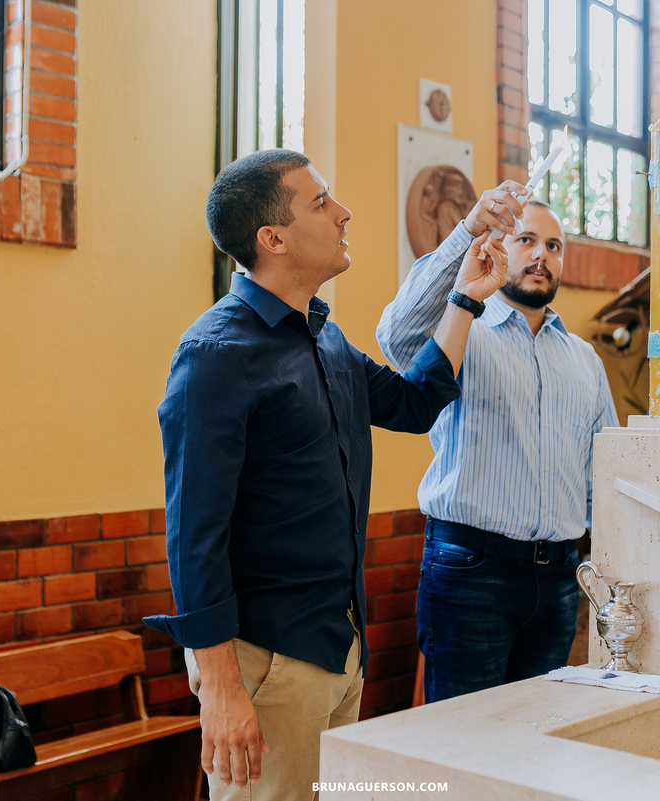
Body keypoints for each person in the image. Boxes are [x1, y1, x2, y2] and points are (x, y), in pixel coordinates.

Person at [143, 149, 507, 801]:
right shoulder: (215, 355)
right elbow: (194, 537)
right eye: (320, 202)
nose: (342, 213)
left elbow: (415, 399)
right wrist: (222, 689)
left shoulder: (325, 338)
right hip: (266, 660)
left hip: (339, 643)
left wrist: (466, 299)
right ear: (272, 238)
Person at [377, 186, 619, 704]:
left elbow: (602, 475)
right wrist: (464, 234)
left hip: (557, 578)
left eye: (554, 246)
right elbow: (396, 334)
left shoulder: (585, 360)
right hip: (470, 572)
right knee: (464, 746)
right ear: (498, 244)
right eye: (527, 239)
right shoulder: (461, 329)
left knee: (533, 745)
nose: (541, 255)